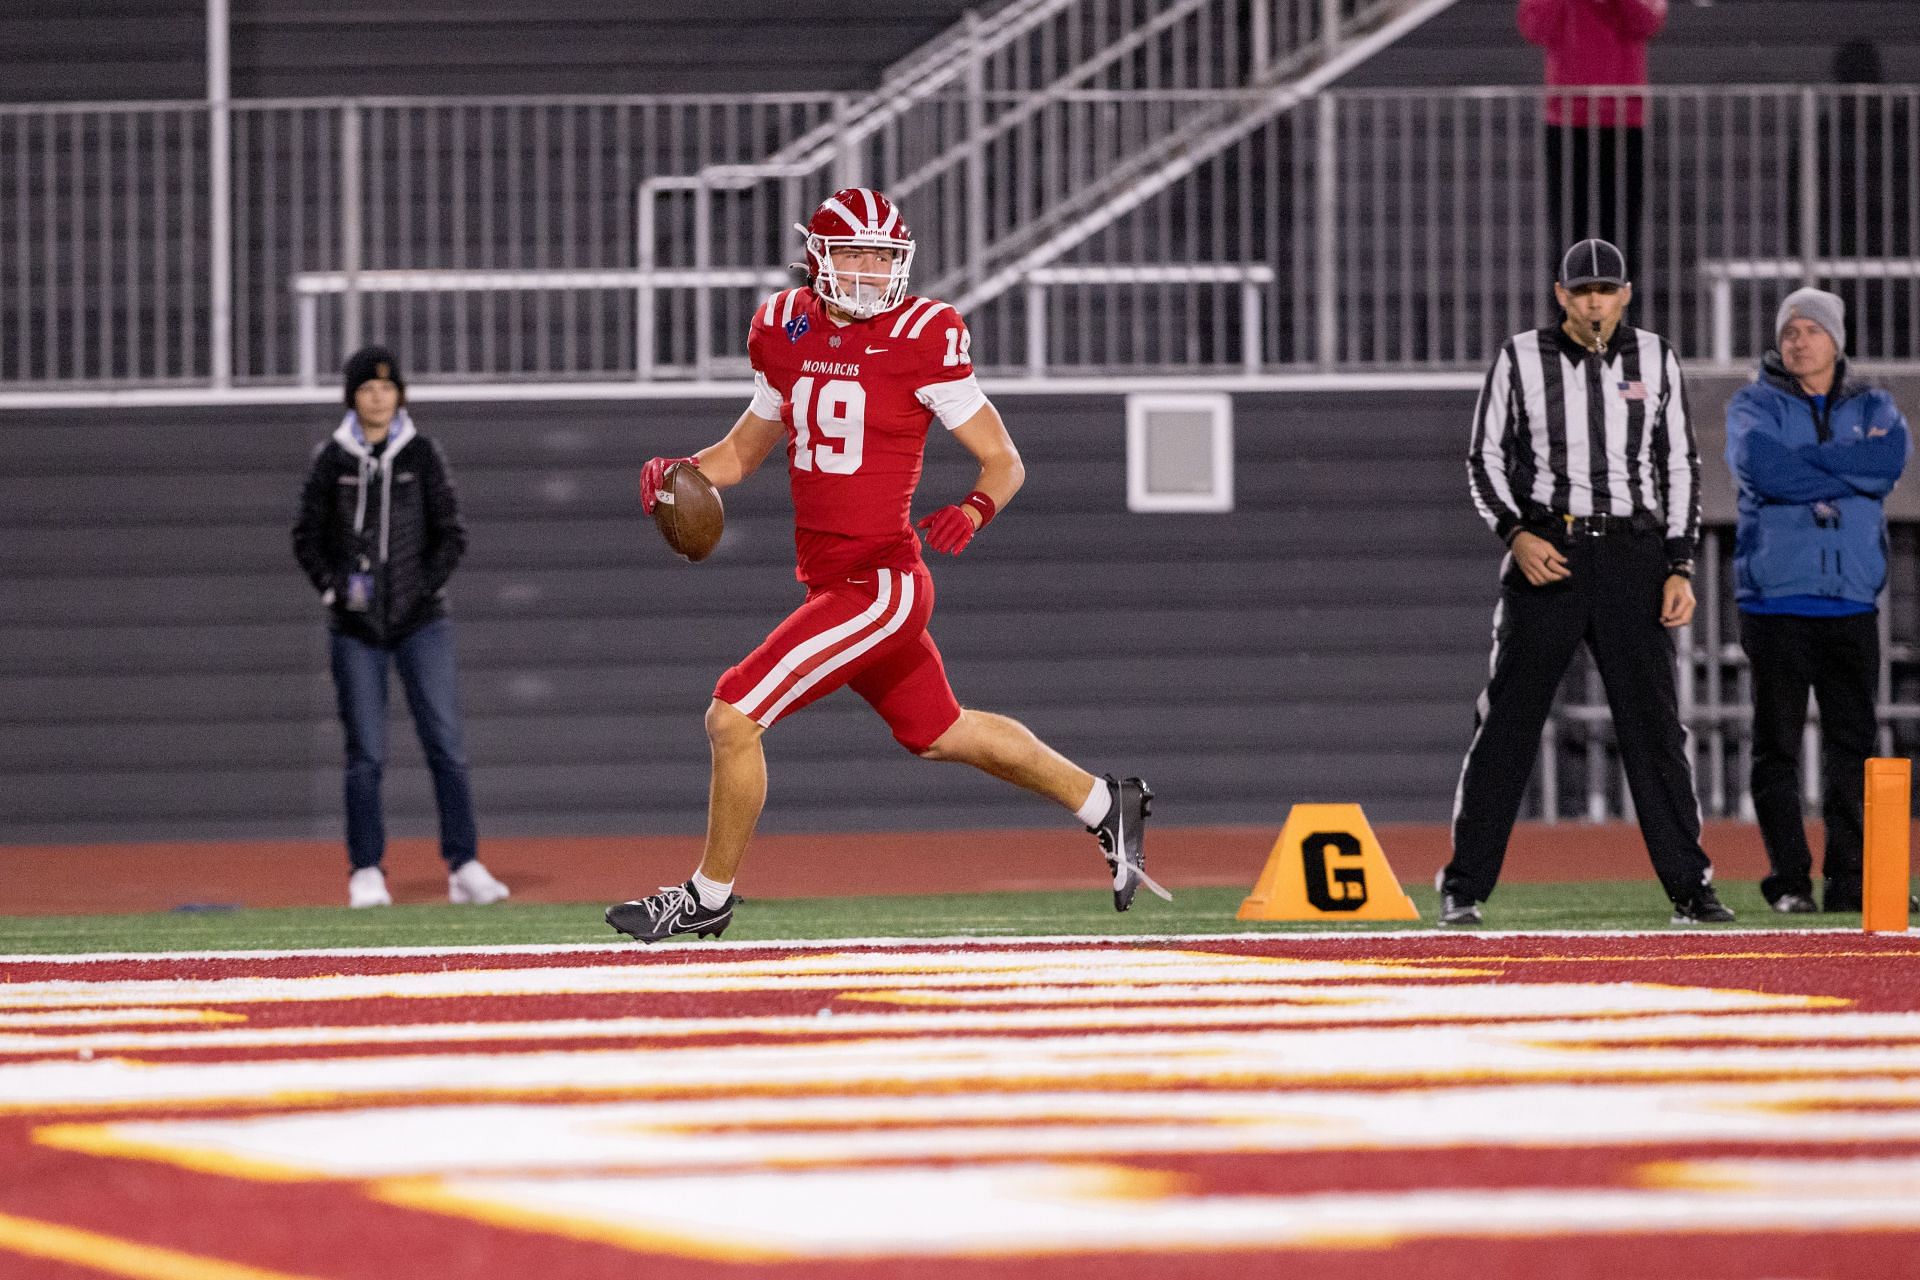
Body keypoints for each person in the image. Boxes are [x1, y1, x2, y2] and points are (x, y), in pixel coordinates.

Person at [605, 187, 1167, 943]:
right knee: (939, 730)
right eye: (855, 254)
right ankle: (1105, 803)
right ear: (820, 259)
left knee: (733, 716)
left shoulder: (923, 334)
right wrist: (680, 473)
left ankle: (709, 896)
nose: (870, 271)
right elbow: (741, 453)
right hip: (833, 580)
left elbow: (1004, 459)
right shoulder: (784, 325)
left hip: (882, 584)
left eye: (883, 256)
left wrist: (974, 507)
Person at [1446, 238, 1732, 926]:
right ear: (1560, 295)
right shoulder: (1520, 357)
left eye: (1606, 289)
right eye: (1583, 291)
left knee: (1655, 726)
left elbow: (1682, 466)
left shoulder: (1656, 357)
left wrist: (1679, 565)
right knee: (1508, 723)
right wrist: (1518, 534)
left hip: (1632, 555)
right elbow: (1483, 457)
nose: (1595, 301)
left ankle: (1690, 887)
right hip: (1552, 548)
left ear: (1627, 293)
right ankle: (1464, 886)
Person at [291, 345, 509, 909]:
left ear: (400, 395)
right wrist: (335, 588)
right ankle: (366, 869)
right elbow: (305, 536)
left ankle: (464, 865)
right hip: (355, 629)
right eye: (367, 389)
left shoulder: (423, 454)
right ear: (353, 398)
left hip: (422, 625)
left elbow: (453, 534)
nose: (378, 397)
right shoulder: (331, 460)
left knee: (447, 745)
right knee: (366, 753)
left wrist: (422, 587)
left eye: (387, 388)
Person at [1726, 288, 1910, 913]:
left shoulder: (1876, 402)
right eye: (1789, 331)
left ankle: (1852, 880)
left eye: (1810, 329)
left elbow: (1887, 464)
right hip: (1776, 602)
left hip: (1852, 602)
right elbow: (1765, 471)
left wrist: (1811, 465)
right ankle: (1788, 881)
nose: (1796, 341)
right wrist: (1845, 469)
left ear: (1836, 339)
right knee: (1776, 745)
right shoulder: (1753, 403)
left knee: (1852, 747)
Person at [1517, 0, 1666, 271]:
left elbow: (1648, 22)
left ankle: (1620, 313)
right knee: (1566, 237)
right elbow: (1534, 28)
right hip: (1566, 120)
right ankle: (1566, 312)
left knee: (1622, 235)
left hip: (1624, 119)